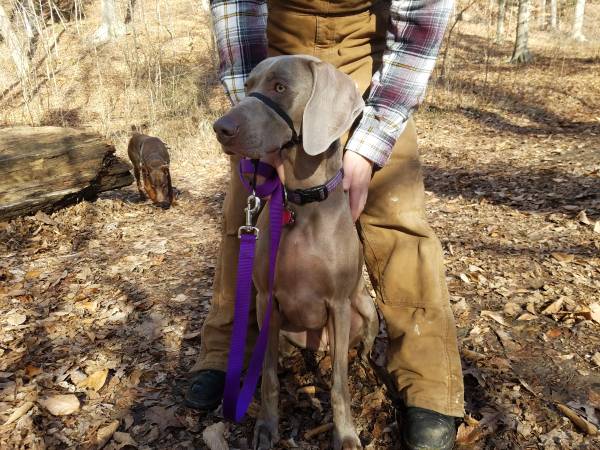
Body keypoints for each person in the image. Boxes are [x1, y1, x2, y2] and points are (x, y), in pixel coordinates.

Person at [186, 1, 464, 449]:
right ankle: (223, 353)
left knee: (400, 221)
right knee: (244, 218)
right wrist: (261, 126)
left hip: (370, 65)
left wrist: (371, 143)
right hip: (273, 59)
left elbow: (420, 25)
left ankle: (428, 380)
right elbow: (235, 11)